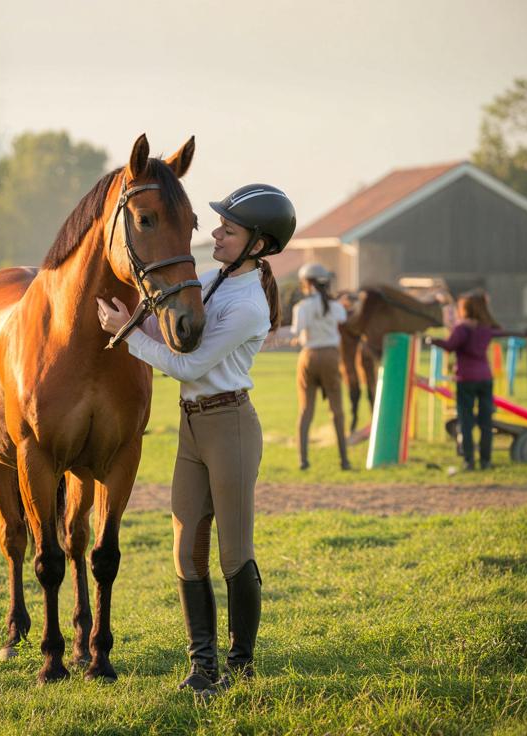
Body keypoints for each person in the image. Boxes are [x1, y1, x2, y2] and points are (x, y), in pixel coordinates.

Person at [97, 183, 295, 697]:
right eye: (220, 227)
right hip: (190, 425)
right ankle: (202, 666)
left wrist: (128, 334)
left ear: (258, 244)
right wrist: (136, 312)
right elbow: (173, 327)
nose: (216, 234)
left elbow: (187, 363)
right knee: (186, 551)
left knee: (234, 552)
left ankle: (242, 666)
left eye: (228, 230)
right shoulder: (209, 282)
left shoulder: (249, 306)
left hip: (229, 426)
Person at [426, 291, 524, 470]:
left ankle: (469, 461)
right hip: (485, 379)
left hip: (466, 379)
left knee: (466, 421)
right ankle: (486, 461)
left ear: (465, 309)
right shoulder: (485, 328)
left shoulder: (462, 329)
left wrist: (432, 341)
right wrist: (523, 333)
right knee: (486, 423)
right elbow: (504, 333)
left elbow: (449, 346)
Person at [290, 263, 351, 471]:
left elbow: (296, 332)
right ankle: (344, 460)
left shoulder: (302, 307)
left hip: (309, 356)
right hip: (331, 356)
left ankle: (303, 460)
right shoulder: (335, 306)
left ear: (307, 283)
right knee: (337, 410)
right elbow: (342, 319)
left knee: (306, 410)